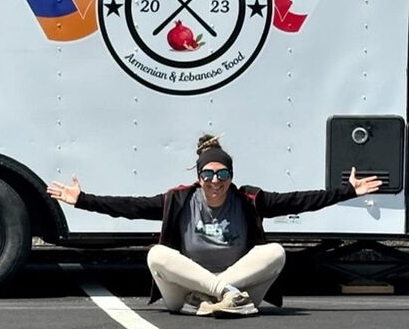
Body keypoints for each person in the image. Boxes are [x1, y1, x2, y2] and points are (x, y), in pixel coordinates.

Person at [46, 134, 382, 317]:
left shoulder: (249, 199)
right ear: (198, 177)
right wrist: (83, 199)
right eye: (208, 174)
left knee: (276, 252)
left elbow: (300, 201)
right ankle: (219, 293)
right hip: (185, 294)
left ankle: (218, 293)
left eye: (222, 174)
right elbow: (129, 207)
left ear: (231, 177)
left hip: (241, 288)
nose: (215, 181)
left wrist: (347, 191)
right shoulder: (178, 201)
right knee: (157, 255)